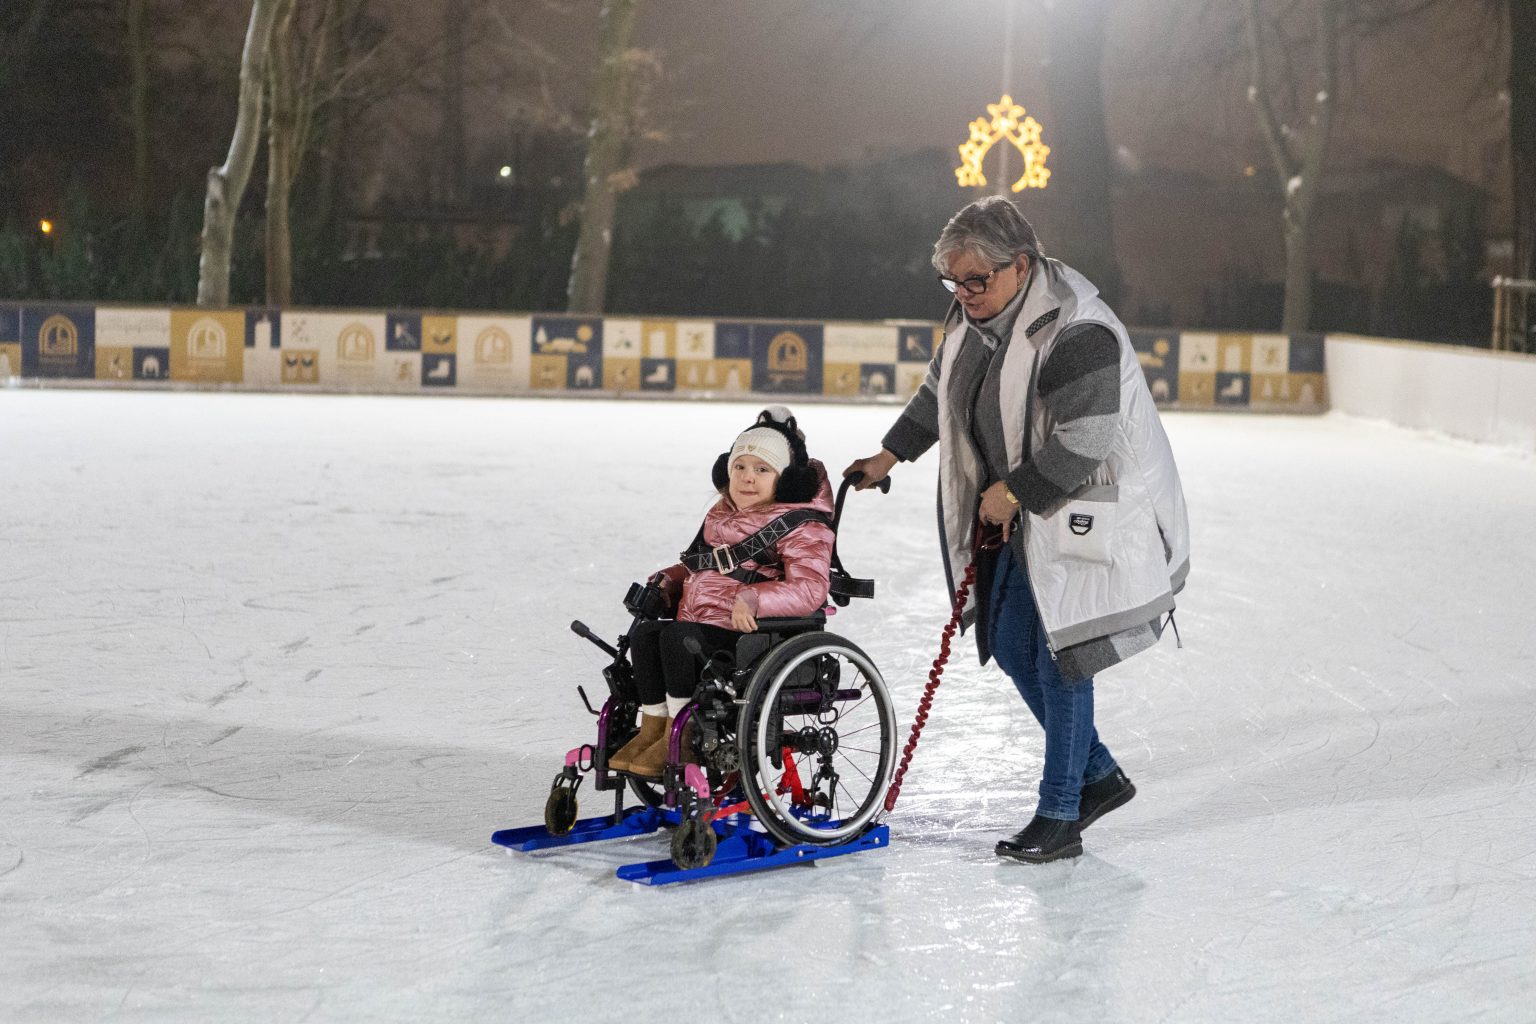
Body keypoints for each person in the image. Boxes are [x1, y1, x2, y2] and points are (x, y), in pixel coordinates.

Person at [845, 196, 1190, 864]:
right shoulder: (975, 325)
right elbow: (939, 395)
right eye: (954, 281)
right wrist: (888, 455)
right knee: (1006, 642)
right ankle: (1100, 775)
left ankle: (1060, 814)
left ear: (1022, 265)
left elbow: (1086, 442)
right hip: (1014, 513)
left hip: (1080, 511)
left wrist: (1012, 491)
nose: (965, 294)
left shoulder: (1077, 331)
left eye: (979, 280)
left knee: (1064, 658)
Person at [609, 406, 835, 779]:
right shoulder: (720, 513)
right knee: (648, 635)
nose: (748, 478)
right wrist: (669, 580)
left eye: (762, 470)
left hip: (749, 637)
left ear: (786, 480)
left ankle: (681, 738)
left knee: (676, 639)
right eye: (739, 468)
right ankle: (654, 730)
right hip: (700, 623)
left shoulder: (804, 525)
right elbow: (701, 564)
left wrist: (756, 598)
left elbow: (810, 588)